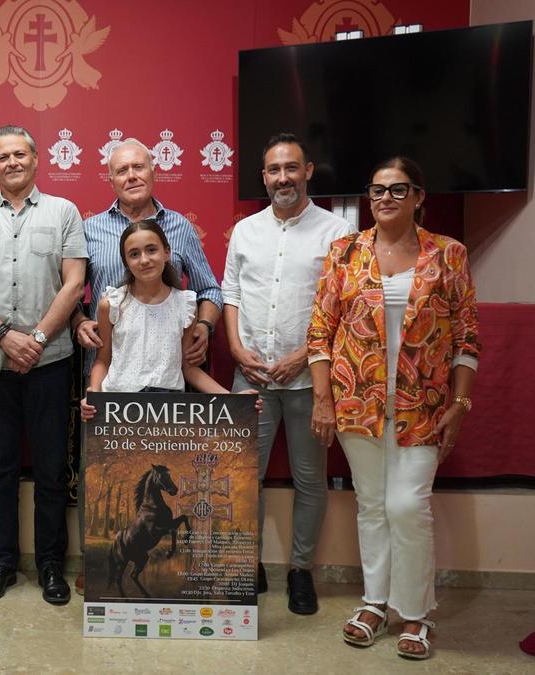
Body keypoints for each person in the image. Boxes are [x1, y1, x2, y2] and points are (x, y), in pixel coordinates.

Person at [308, 157, 480, 660]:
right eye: (377, 189)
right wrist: (323, 399)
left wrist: (462, 402)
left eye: (397, 190)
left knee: (408, 506)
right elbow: (321, 332)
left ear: (419, 197)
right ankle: (375, 603)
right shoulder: (345, 253)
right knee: (372, 505)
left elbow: (467, 337)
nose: (384, 198)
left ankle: (416, 614)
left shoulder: (448, 254)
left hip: (423, 406)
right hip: (356, 403)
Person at [73, 138, 224, 590]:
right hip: (112, 389)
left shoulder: (179, 228)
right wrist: (81, 321)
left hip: (167, 394)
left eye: (139, 167)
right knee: (101, 474)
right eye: (122, 170)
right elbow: (76, 295)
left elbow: (210, 292)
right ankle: (97, 562)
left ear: (154, 170)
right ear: (111, 178)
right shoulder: (89, 228)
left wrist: (202, 328)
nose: (132, 176)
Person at [0, 125, 87, 605]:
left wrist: (38, 338)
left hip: (51, 361)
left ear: (35, 158)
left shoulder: (64, 213)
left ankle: (50, 565)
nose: (11, 162)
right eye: (2, 157)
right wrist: (6, 337)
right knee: (0, 468)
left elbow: (73, 284)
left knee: (50, 469)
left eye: (19, 153)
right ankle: (2, 563)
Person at [222, 133, 355, 613]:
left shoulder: (336, 232)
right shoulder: (245, 230)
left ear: (308, 171)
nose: (283, 178)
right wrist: (236, 348)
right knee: (242, 478)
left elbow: (342, 308)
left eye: (291, 168)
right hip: (251, 377)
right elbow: (230, 293)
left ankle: (300, 571)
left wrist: (304, 355)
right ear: (264, 177)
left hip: (308, 381)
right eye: (274, 170)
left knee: (309, 480)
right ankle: (246, 562)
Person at [79, 220, 238, 419]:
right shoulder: (112, 304)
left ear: (167, 252)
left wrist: (234, 399)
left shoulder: (185, 304)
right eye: (134, 254)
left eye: (151, 250)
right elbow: (102, 360)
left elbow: (190, 368)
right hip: (118, 406)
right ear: (126, 261)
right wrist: (94, 393)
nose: (144, 260)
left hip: (168, 409)